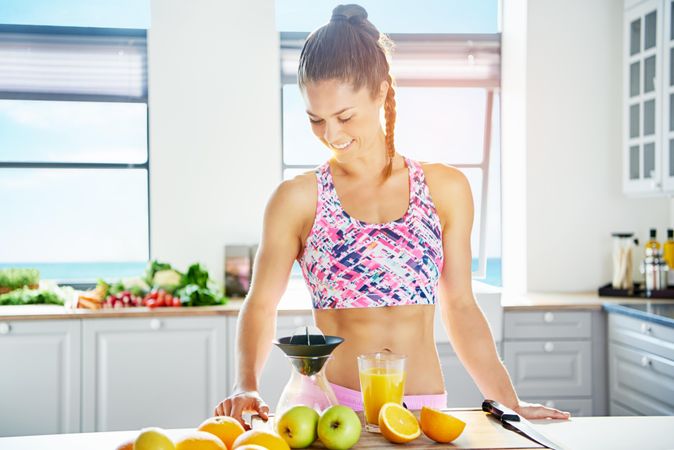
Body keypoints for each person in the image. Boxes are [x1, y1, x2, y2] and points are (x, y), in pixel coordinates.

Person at [214, 3, 570, 427]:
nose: (331, 135)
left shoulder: (445, 189)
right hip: (329, 410)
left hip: (423, 410)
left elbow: (460, 306)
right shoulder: (297, 199)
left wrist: (509, 403)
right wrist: (245, 384)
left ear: (381, 91)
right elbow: (260, 305)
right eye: (316, 120)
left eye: (345, 116)